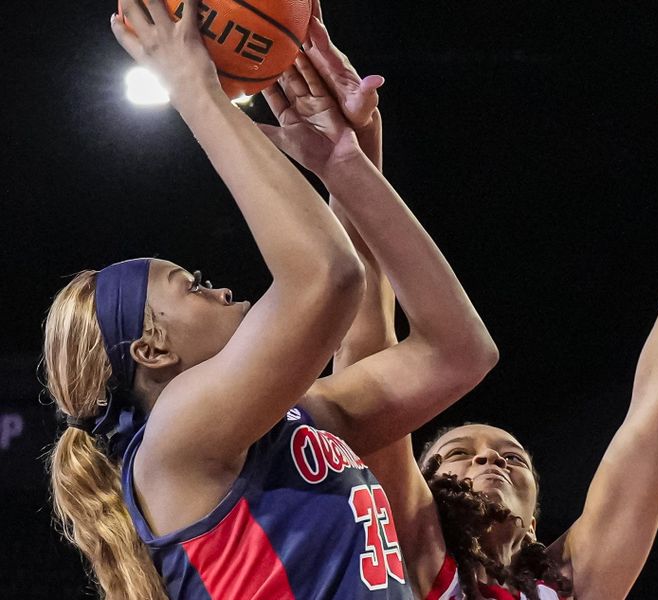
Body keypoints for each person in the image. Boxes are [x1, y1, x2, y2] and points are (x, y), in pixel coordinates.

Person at [275, 22, 658, 599]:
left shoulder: (572, 583)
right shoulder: (409, 542)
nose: (490, 463)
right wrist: (352, 158)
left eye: (510, 457)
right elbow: (366, 347)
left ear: (533, 513)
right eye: (458, 455)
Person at [43, 0, 497, 598]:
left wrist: (346, 164)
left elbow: (459, 352)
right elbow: (327, 276)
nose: (222, 289)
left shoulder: (302, 419)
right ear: (152, 347)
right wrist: (194, 91)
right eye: (195, 287)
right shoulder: (173, 441)